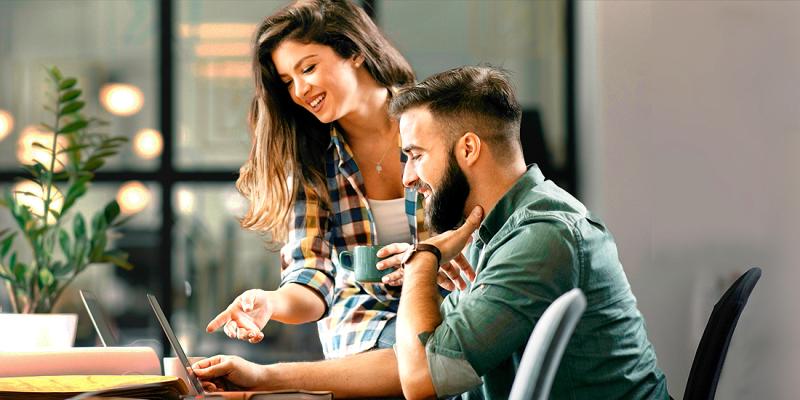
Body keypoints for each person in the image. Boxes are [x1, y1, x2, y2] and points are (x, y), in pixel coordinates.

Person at [193, 66, 670, 399]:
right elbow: (413, 363)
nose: (407, 179)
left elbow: (421, 377)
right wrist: (261, 376)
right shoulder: (493, 231)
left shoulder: (543, 236)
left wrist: (424, 262)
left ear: (468, 149)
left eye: (417, 155)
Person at [205, 0, 468, 360]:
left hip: (452, 310)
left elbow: (483, 226)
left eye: (308, 68)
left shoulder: (439, 123)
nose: (299, 90)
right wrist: (269, 303)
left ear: (354, 52)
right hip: (366, 330)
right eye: (288, 82)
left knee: (452, 348)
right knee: (421, 353)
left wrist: (425, 261)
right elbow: (310, 277)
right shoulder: (310, 159)